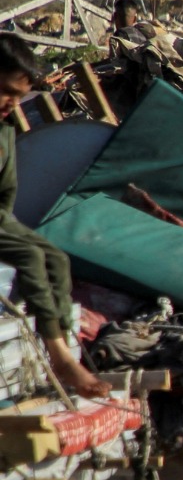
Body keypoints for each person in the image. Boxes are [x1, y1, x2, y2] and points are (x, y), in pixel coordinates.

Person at [0, 35, 108, 398]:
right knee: (31, 257)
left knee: (56, 259)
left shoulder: (3, 133)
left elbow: (6, 196)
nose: (12, 104)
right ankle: (60, 358)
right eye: (5, 92)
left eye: (18, 96)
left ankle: (65, 352)